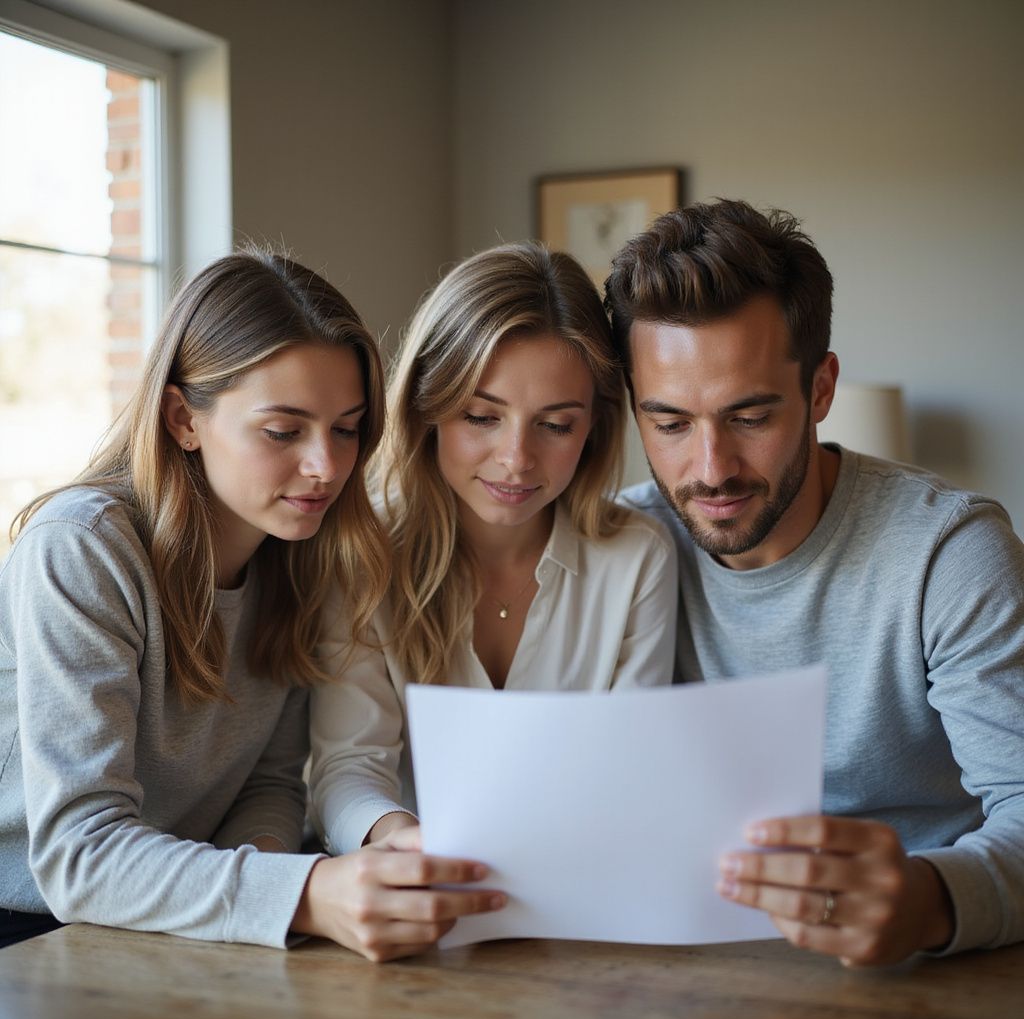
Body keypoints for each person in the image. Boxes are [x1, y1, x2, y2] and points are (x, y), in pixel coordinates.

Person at [0, 250, 503, 958]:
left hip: (179, 920)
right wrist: (304, 894)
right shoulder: (81, 550)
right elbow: (78, 856)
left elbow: (268, 784)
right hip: (28, 926)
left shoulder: (304, 555)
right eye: (282, 431)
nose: (327, 467)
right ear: (183, 418)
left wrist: (278, 884)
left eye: (347, 427)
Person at [608, 199, 1024, 966]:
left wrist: (928, 901)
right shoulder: (620, 550)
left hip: (932, 967)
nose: (711, 470)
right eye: (669, 425)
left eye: (751, 417)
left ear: (821, 390)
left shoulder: (950, 552)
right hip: (699, 966)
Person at [308, 242, 677, 853]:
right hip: (415, 896)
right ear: (428, 407)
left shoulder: (637, 558)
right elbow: (349, 768)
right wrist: (397, 840)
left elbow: (627, 772)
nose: (516, 460)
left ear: (593, 428)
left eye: (555, 425)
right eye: (482, 417)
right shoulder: (363, 553)